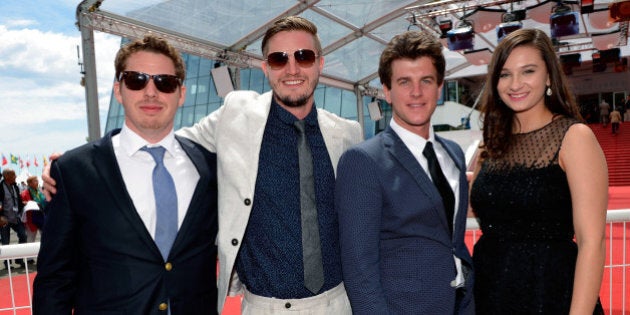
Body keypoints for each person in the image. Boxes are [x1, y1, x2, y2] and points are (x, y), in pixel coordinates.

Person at [44, 16, 362, 314]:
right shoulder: (236, 113)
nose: (292, 68)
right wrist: (79, 165)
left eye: (303, 56)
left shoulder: (348, 133)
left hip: (337, 302)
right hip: (263, 306)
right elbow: (166, 139)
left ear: (320, 63)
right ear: (266, 68)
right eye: (279, 59)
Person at [33, 35, 219, 314]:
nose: (151, 92)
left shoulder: (210, 166)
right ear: (119, 90)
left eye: (164, 82)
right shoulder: (74, 171)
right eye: (136, 80)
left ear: (181, 94)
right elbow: (54, 280)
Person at [335, 31, 474, 314]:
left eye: (426, 80)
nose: (416, 92)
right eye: (404, 82)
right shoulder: (363, 161)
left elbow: (453, 240)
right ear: (387, 91)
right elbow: (359, 271)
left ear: (439, 88)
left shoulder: (454, 154)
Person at [470, 28, 607, 314]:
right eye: (505, 74)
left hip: (551, 295)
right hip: (490, 292)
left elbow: (591, 243)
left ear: (548, 76)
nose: (515, 83)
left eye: (528, 71)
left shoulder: (574, 137)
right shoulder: (489, 145)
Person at [0, 168, 27, 269]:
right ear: (7, 176)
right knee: (5, 242)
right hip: (4, 219)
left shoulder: (15, 186)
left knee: (23, 236)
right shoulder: (0, 187)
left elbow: (18, 200)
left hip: (16, 217)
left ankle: (19, 259)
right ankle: (8, 263)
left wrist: (23, 204)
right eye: (13, 175)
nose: (15, 177)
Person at [20, 176, 46, 245]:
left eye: (37, 180)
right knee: (31, 240)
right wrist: (25, 203)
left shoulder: (39, 191)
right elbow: (21, 204)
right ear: (30, 183)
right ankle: (29, 255)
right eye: (35, 181)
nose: (37, 182)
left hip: (41, 217)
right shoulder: (24, 193)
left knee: (45, 237)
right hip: (31, 219)